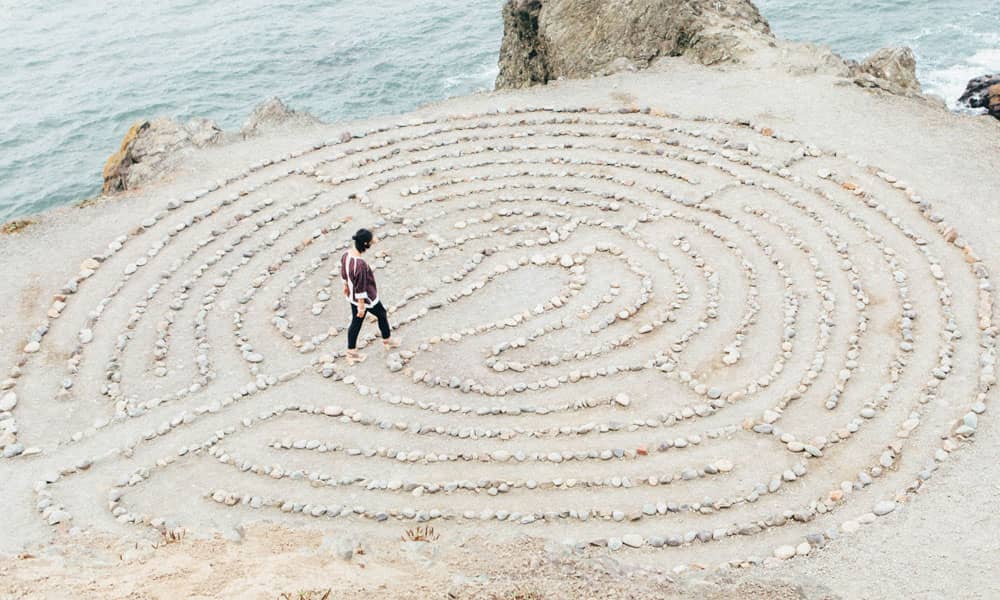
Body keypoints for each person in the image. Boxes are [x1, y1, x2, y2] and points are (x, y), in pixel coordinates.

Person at [341, 228, 399, 364]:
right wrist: (361, 306)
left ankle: (384, 340)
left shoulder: (346, 255)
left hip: (352, 295)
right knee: (377, 315)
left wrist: (345, 286)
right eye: (371, 241)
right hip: (366, 299)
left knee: (359, 322)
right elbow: (361, 286)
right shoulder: (360, 265)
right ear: (366, 244)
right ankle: (385, 341)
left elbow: (344, 272)